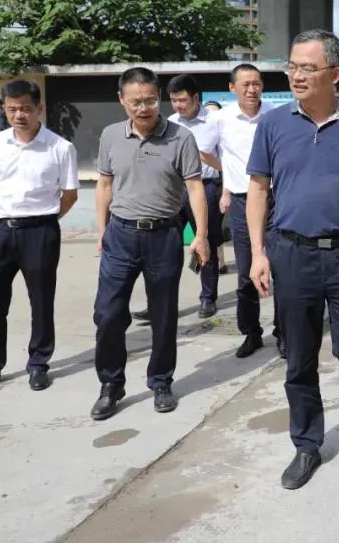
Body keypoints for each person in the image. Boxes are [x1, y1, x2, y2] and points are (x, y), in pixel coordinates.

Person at [246, 29, 339, 491]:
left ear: (334, 74)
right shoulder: (273, 124)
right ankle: (307, 444)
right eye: (292, 66)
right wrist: (257, 253)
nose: (296, 75)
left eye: (307, 68)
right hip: (291, 253)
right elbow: (258, 189)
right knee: (299, 355)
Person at [91, 67, 210, 421]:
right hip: (121, 235)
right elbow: (104, 185)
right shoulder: (111, 135)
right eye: (135, 102)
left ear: (158, 97)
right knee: (108, 313)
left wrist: (201, 235)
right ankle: (111, 384)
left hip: (164, 235)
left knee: (163, 314)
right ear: (121, 100)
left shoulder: (181, 137)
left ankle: (160, 381)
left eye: (149, 100)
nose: (143, 108)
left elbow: (195, 188)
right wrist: (102, 229)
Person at [0, 78, 80, 394]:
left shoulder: (60, 147)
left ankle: (39, 363)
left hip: (40, 233)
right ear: (5, 109)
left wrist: (43, 219)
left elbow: (70, 194)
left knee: (41, 301)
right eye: (12, 109)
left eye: (26, 108)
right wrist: (9, 213)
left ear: (39, 108)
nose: (19, 115)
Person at [131, 74, 223, 321]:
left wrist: (224, 188)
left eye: (183, 100)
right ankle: (158, 303)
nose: (178, 105)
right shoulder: (169, 123)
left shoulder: (216, 122)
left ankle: (208, 297)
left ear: (196, 98)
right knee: (163, 246)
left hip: (205, 187)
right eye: (173, 100)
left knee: (204, 242)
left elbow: (226, 159)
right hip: (172, 189)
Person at [216, 64, 279, 358]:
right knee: (246, 272)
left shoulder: (276, 116)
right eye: (245, 84)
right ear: (232, 88)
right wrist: (228, 179)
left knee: (283, 269)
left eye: (256, 83)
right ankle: (251, 332)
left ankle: (284, 331)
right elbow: (202, 149)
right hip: (242, 202)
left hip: (278, 199)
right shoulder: (221, 119)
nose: (252, 89)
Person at [202, 100, 230, 274]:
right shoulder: (195, 133)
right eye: (207, 112)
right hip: (191, 185)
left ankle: (220, 261)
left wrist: (225, 192)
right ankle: (203, 260)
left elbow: (228, 165)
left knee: (214, 226)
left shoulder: (225, 137)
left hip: (216, 184)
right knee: (201, 229)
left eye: (215, 112)